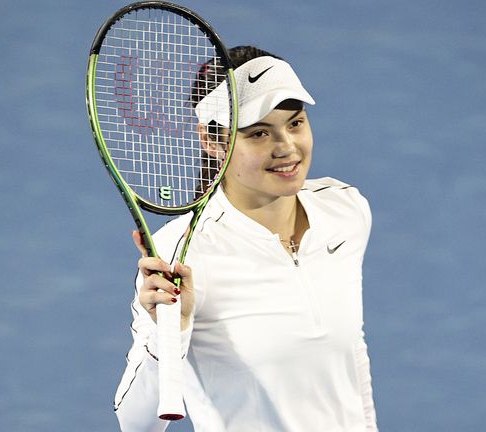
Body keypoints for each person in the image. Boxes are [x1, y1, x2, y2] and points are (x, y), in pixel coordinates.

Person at [114, 46, 378, 431]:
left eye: (295, 123)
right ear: (212, 140)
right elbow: (136, 425)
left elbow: (351, 359)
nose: (286, 147)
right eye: (258, 133)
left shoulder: (345, 212)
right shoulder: (180, 255)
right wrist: (170, 331)